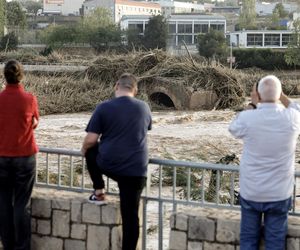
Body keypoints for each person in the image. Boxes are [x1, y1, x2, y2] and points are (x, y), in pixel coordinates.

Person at [81, 73, 152, 250]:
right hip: (137, 169)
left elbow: (90, 140)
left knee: (90, 151)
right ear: (135, 90)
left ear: (116, 86)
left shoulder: (104, 107)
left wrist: (83, 150)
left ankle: (99, 192)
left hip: (110, 164)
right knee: (130, 217)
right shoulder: (144, 107)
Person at [229, 75, 300, 250]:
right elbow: (296, 107)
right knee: (275, 242)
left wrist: (253, 104)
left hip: (252, 191)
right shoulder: (292, 118)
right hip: (279, 193)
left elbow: (233, 127)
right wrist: (280, 96)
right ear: (279, 94)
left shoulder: (249, 118)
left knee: (248, 240)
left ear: (258, 95)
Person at [0, 60, 39, 250]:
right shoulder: (29, 99)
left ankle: (7, 245)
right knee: (21, 203)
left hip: (1, 158)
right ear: (21, 76)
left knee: (4, 204)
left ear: (4, 77)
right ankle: (22, 247)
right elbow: (35, 122)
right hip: (24, 156)